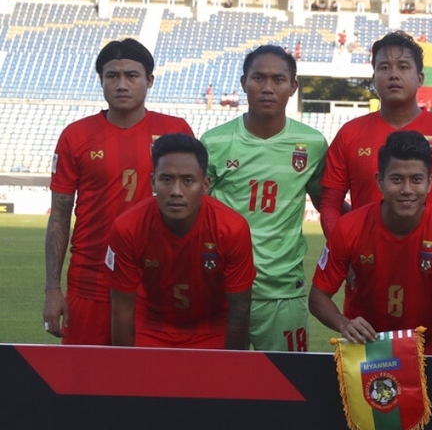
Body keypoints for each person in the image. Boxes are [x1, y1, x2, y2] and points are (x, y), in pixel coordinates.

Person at [43, 38, 194, 345]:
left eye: (132, 75)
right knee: (84, 385)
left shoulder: (176, 130)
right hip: (90, 285)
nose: (122, 84)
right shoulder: (76, 135)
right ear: (101, 81)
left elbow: (194, 212)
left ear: (149, 81)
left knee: (150, 385)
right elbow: (59, 216)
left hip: (157, 286)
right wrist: (52, 289)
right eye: (112, 76)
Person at [202, 45, 327, 352]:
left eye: (278, 79)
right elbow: (195, 213)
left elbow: (328, 203)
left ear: (293, 86)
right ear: (244, 82)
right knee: (221, 387)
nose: (268, 88)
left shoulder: (312, 143)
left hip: (283, 292)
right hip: (222, 289)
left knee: (290, 387)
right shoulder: (213, 142)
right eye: (258, 78)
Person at [309, 131, 432, 355]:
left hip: (427, 353)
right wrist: (344, 324)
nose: (407, 190)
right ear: (380, 181)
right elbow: (318, 296)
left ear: (429, 183)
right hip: (364, 351)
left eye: (416, 179)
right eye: (397, 179)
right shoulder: (349, 228)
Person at [319, 31, 432, 238]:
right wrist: (344, 249)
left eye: (403, 67)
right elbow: (330, 204)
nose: (394, 74)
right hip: (366, 263)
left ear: (420, 78)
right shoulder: (349, 134)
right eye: (384, 67)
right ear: (374, 78)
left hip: (429, 262)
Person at [106, 134, 255, 349]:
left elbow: (240, 309)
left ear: (205, 184)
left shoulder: (232, 228)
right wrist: (128, 368)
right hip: (151, 327)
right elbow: (121, 309)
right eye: (166, 179)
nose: (176, 192)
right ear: (152, 182)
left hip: (212, 329)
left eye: (188, 181)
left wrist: (228, 368)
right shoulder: (127, 227)